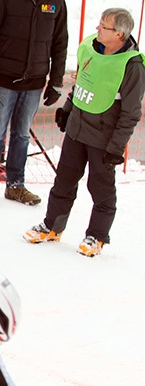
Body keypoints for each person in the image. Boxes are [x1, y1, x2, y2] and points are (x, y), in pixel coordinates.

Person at [24, 8, 145, 257]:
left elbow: (131, 113)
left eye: (104, 26)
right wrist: (68, 110)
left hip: (103, 138)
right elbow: (83, 82)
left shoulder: (132, 66)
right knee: (64, 181)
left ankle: (96, 236)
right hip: (77, 130)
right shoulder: (91, 47)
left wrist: (116, 147)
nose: (97, 29)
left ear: (120, 34)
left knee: (100, 188)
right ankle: (52, 227)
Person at [0, 0, 68, 207]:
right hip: (3, 79)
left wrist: (56, 81)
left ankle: (15, 185)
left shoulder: (57, 3)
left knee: (22, 134)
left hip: (35, 81)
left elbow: (60, 42)